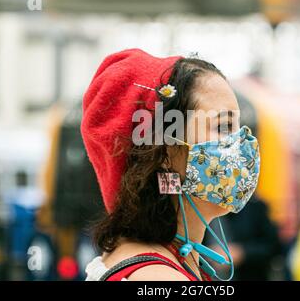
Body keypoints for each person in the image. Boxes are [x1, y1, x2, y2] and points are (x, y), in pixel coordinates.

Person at [81, 49, 260, 281]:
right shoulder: (159, 277)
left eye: (238, 127)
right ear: (164, 150)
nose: (243, 142)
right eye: (224, 127)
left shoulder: (145, 260)